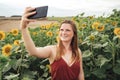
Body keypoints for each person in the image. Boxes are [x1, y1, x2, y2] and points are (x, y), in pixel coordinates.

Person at [20, 7, 85, 80]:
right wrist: (24, 28)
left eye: (67, 30)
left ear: (74, 34)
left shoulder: (77, 51)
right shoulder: (52, 50)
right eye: (61, 30)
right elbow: (33, 51)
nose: (63, 33)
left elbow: (80, 73)